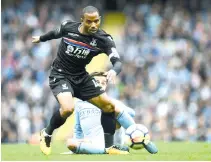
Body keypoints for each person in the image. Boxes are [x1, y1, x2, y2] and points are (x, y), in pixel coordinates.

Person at [32, 6, 141, 155]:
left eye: (96, 21)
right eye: (89, 21)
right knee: (68, 108)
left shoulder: (104, 39)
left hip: (81, 77)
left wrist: (113, 71)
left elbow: (117, 61)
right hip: (60, 75)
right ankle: (47, 133)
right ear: (82, 20)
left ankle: (109, 148)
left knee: (108, 106)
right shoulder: (68, 27)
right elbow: (55, 33)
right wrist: (41, 38)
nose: (94, 25)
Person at [66, 72, 158, 154]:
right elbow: (78, 129)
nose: (100, 85)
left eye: (103, 83)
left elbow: (132, 113)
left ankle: (141, 138)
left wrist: (120, 114)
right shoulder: (79, 104)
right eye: (97, 82)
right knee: (70, 143)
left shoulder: (111, 102)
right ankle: (108, 150)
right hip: (91, 142)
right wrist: (78, 142)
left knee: (115, 109)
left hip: (111, 140)